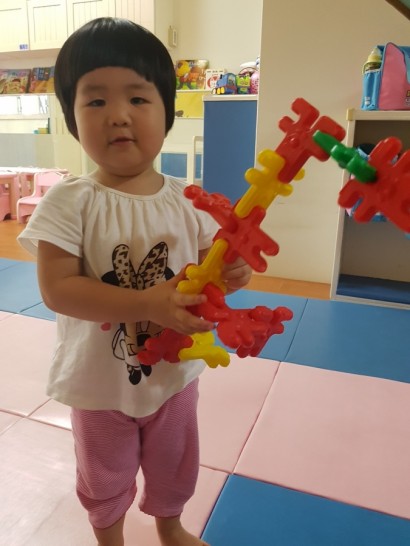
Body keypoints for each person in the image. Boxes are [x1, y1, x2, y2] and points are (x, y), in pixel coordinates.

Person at [18, 17, 252, 546]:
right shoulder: (69, 202)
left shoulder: (189, 200)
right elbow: (58, 290)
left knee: (176, 463)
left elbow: (208, 279)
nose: (118, 114)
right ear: (73, 119)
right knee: (104, 474)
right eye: (96, 100)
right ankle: (111, 540)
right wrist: (148, 302)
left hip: (174, 377)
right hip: (99, 384)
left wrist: (231, 274)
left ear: (167, 112)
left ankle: (171, 527)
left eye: (138, 98)